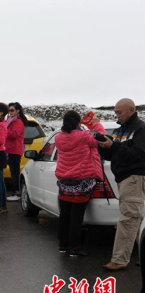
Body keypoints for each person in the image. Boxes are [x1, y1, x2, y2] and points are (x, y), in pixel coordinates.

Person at [98, 98, 145, 271]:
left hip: (134, 177)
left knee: (129, 218)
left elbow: (139, 155)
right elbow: (114, 155)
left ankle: (119, 260)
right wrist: (104, 146)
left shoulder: (141, 129)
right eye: (115, 112)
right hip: (125, 178)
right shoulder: (120, 130)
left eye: (119, 112)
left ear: (131, 110)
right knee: (136, 218)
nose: (116, 115)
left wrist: (114, 146)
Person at [55, 110, 103, 257]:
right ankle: (75, 247)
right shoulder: (84, 136)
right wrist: (96, 123)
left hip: (64, 182)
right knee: (77, 216)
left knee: (65, 214)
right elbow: (100, 139)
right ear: (78, 122)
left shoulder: (58, 138)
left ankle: (63, 245)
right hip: (81, 181)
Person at [6, 102, 28, 202]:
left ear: (18, 111)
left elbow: (14, 135)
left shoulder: (18, 122)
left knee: (15, 173)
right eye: (9, 110)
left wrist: (4, 130)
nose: (10, 112)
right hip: (10, 150)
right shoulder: (10, 121)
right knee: (13, 172)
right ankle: (15, 192)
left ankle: (17, 193)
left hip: (15, 150)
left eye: (12, 110)